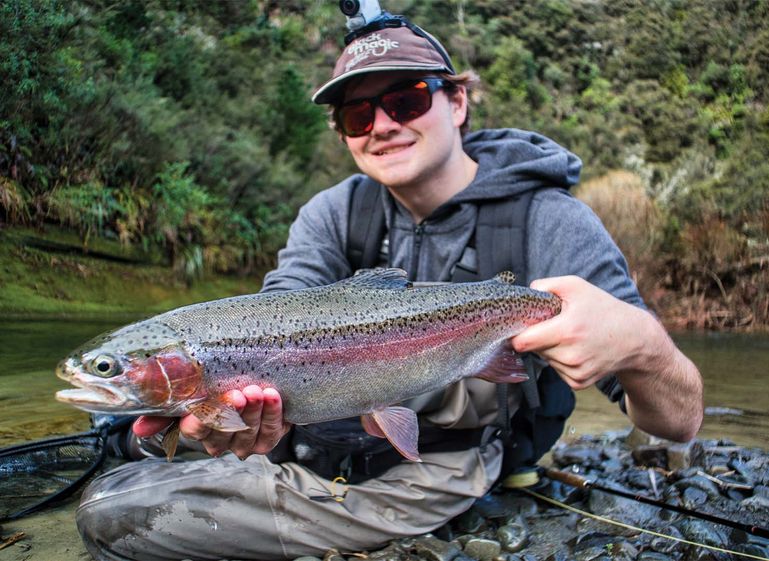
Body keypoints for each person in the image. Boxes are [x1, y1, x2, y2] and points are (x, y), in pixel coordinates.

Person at [76, 16, 703, 561]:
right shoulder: (334, 213)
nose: (381, 125)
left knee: (109, 513)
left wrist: (644, 345)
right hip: (316, 441)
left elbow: (679, 420)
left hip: (447, 466)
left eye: (406, 101)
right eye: (358, 115)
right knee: (138, 454)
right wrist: (218, 414)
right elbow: (272, 313)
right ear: (345, 134)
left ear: (457, 103)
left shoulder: (552, 223)